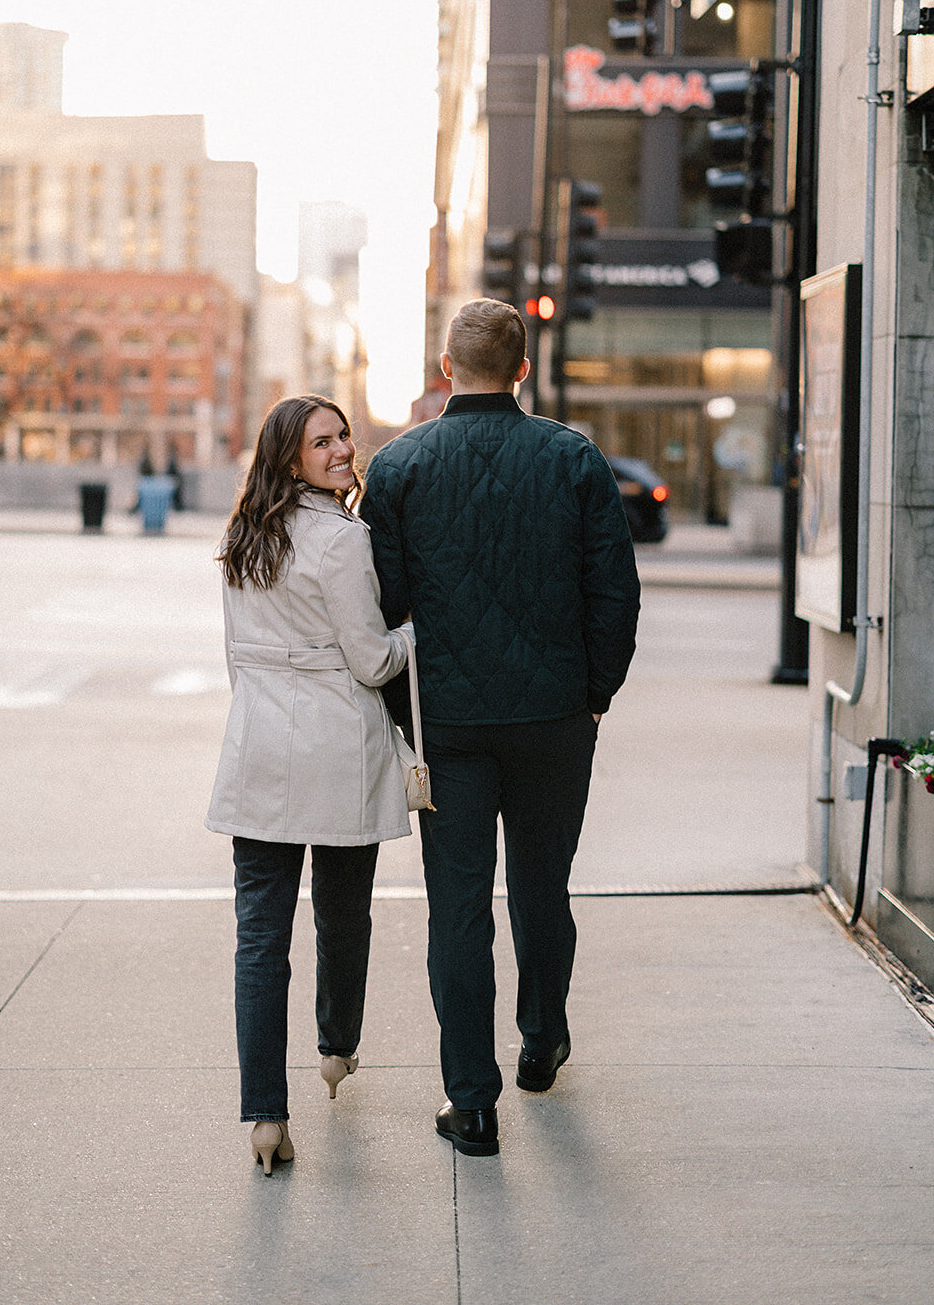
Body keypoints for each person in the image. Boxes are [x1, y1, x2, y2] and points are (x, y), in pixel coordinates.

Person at [361, 298, 641, 1157]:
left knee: (457, 907)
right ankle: (542, 1036)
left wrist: (402, 712)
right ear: (522, 369)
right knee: (541, 887)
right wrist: (595, 693)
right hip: (554, 716)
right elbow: (614, 593)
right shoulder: (573, 458)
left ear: (446, 368)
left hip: (450, 724)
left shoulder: (399, 466)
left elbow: (378, 604)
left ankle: (469, 1104)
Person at [206, 395, 413, 1175]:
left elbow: (235, 656)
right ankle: (337, 1048)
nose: (339, 449)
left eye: (341, 435)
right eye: (320, 442)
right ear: (288, 457)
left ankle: (264, 1116)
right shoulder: (339, 540)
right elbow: (371, 660)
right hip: (335, 749)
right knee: (342, 916)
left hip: (258, 748)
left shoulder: (240, 535)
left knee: (259, 941)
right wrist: (415, 631)